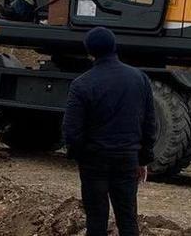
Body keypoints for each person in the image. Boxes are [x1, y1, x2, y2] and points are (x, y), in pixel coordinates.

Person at [62, 27, 157, 236]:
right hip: (127, 159)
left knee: (96, 217)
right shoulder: (139, 79)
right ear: (115, 46)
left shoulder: (82, 84)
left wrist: (78, 156)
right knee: (128, 218)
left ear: (90, 52)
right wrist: (143, 159)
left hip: (94, 159)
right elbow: (150, 123)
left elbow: (72, 130)